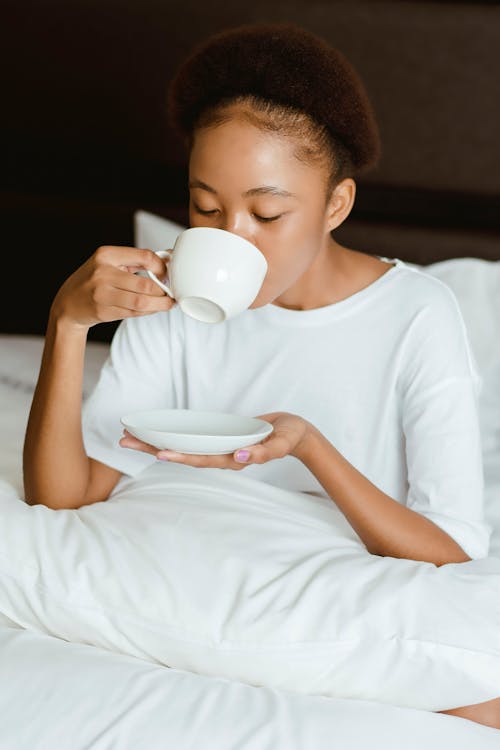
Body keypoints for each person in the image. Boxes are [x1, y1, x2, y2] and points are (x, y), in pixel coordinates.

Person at [22, 22, 499, 728]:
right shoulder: (179, 294)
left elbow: (452, 553)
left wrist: (311, 446)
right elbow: (64, 498)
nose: (228, 239)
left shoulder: (417, 314)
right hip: (189, 572)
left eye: (267, 213)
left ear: (336, 205)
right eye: (206, 208)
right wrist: (67, 324)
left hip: (340, 594)